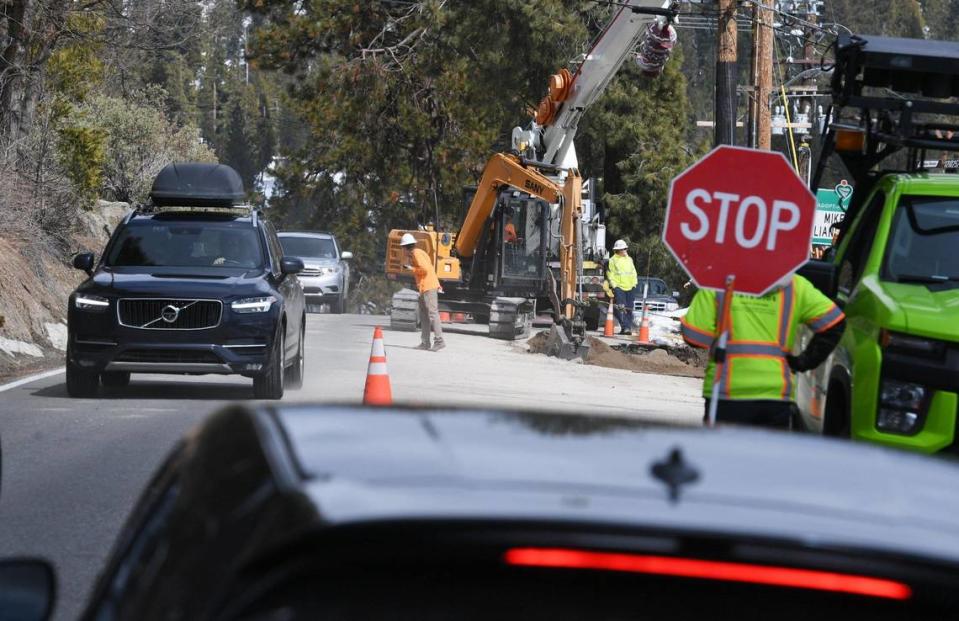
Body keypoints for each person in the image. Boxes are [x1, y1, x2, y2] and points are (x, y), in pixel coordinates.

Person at [680, 274, 846, 429]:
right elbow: (834, 322)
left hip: (726, 392)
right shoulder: (794, 284)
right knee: (766, 459)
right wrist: (803, 362)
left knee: (724, 458)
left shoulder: (719, 281)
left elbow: (694, 337)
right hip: (775, 395)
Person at [400, 233, 445, 352]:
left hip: (428, 287)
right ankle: (425, 342)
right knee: (424, 316)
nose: (402, 250)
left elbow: (424, 270)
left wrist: (411, 269)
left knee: (432, 314)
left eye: (402, 247)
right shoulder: (418, 253)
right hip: (424, 287)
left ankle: (439, 341)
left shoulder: (416, 253)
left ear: (405, 247)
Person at [606, 239, 638, 335]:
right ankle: (625, 327)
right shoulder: (612, 260)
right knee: (621, 308)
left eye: (625, 248)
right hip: (619, 287)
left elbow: (633, 272)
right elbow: (610, 274)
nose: (625, 250)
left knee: (629, 308)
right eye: (623, 249)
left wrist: (634, 283)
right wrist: (614, 286)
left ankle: (627, 328)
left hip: (630, 287)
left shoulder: (629, 259)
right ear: (618, 250)